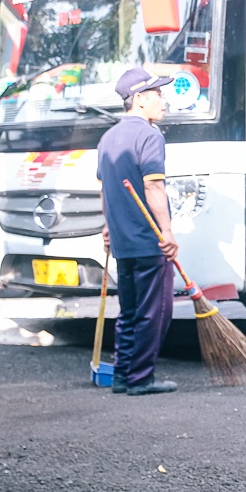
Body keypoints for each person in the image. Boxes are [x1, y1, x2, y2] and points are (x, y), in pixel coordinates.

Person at [98, 66, 180, 396]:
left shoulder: (108, 138)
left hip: (121, 240)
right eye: (158, 94)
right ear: (140, 99)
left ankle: (121, 374)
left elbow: (106, 190)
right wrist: (168, 231)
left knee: (129, 311)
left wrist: (108, 227)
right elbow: (154, 188)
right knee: (154, 312)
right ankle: (141, 378)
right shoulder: (149, 136)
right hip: (149, 240)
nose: (164, 101)